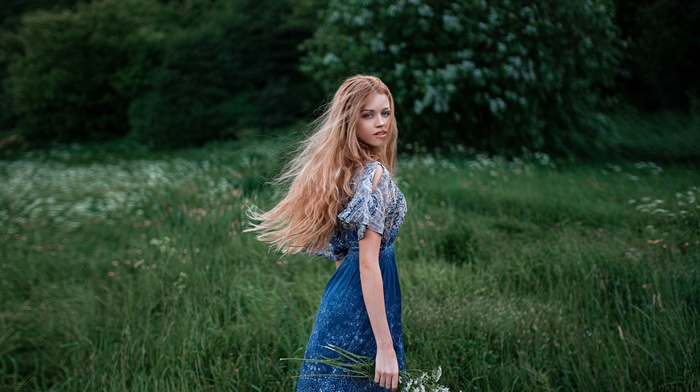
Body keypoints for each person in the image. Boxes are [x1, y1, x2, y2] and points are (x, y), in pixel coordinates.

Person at [247, 75, 407, 391]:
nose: (380, 123)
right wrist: (385, 348)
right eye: (368, 114)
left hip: (341, 294)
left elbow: (342, 255)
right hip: (366, 290)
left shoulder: (345, 172)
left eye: (385, 112)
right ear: (350, 121)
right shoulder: (375, 175)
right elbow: (366, 262)